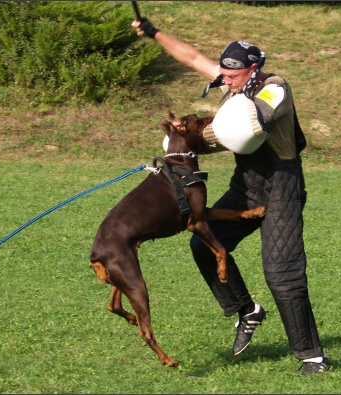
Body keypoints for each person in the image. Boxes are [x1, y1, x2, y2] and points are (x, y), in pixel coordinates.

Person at [132, 17, 329, 376]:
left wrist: (208, 132)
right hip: (247, 185)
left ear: (253, 69)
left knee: (280, 272)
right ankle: (246, 310)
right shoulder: (231, 82)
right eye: (223, 72)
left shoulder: (274, 87)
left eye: (232, 75)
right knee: (204, 243)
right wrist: (154, 32)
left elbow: (252, 122)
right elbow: (192, 58)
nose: (225, 79)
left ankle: (312, 355)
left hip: (282, 187)